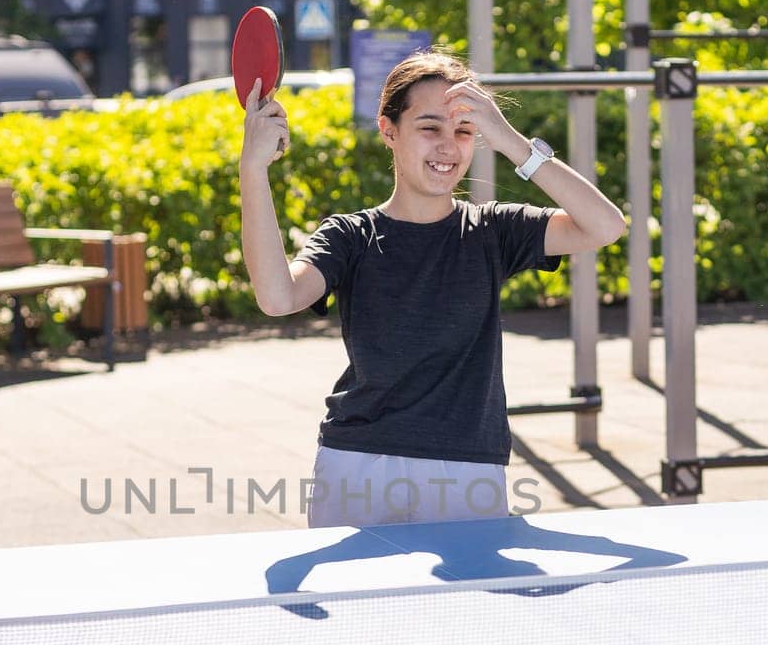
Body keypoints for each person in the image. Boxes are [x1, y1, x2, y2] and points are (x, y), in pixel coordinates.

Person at [240, 48, 627, 528]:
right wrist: (253, 170)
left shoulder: (493, 231)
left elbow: (606, 225)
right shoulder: (350, 236)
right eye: (429, 128)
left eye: (464, 131)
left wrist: (508, 139)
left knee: (467, 605)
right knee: (360, 608)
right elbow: (277, 298)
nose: (448, 146)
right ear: (389, 131)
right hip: (358, 463)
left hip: (468, 465)